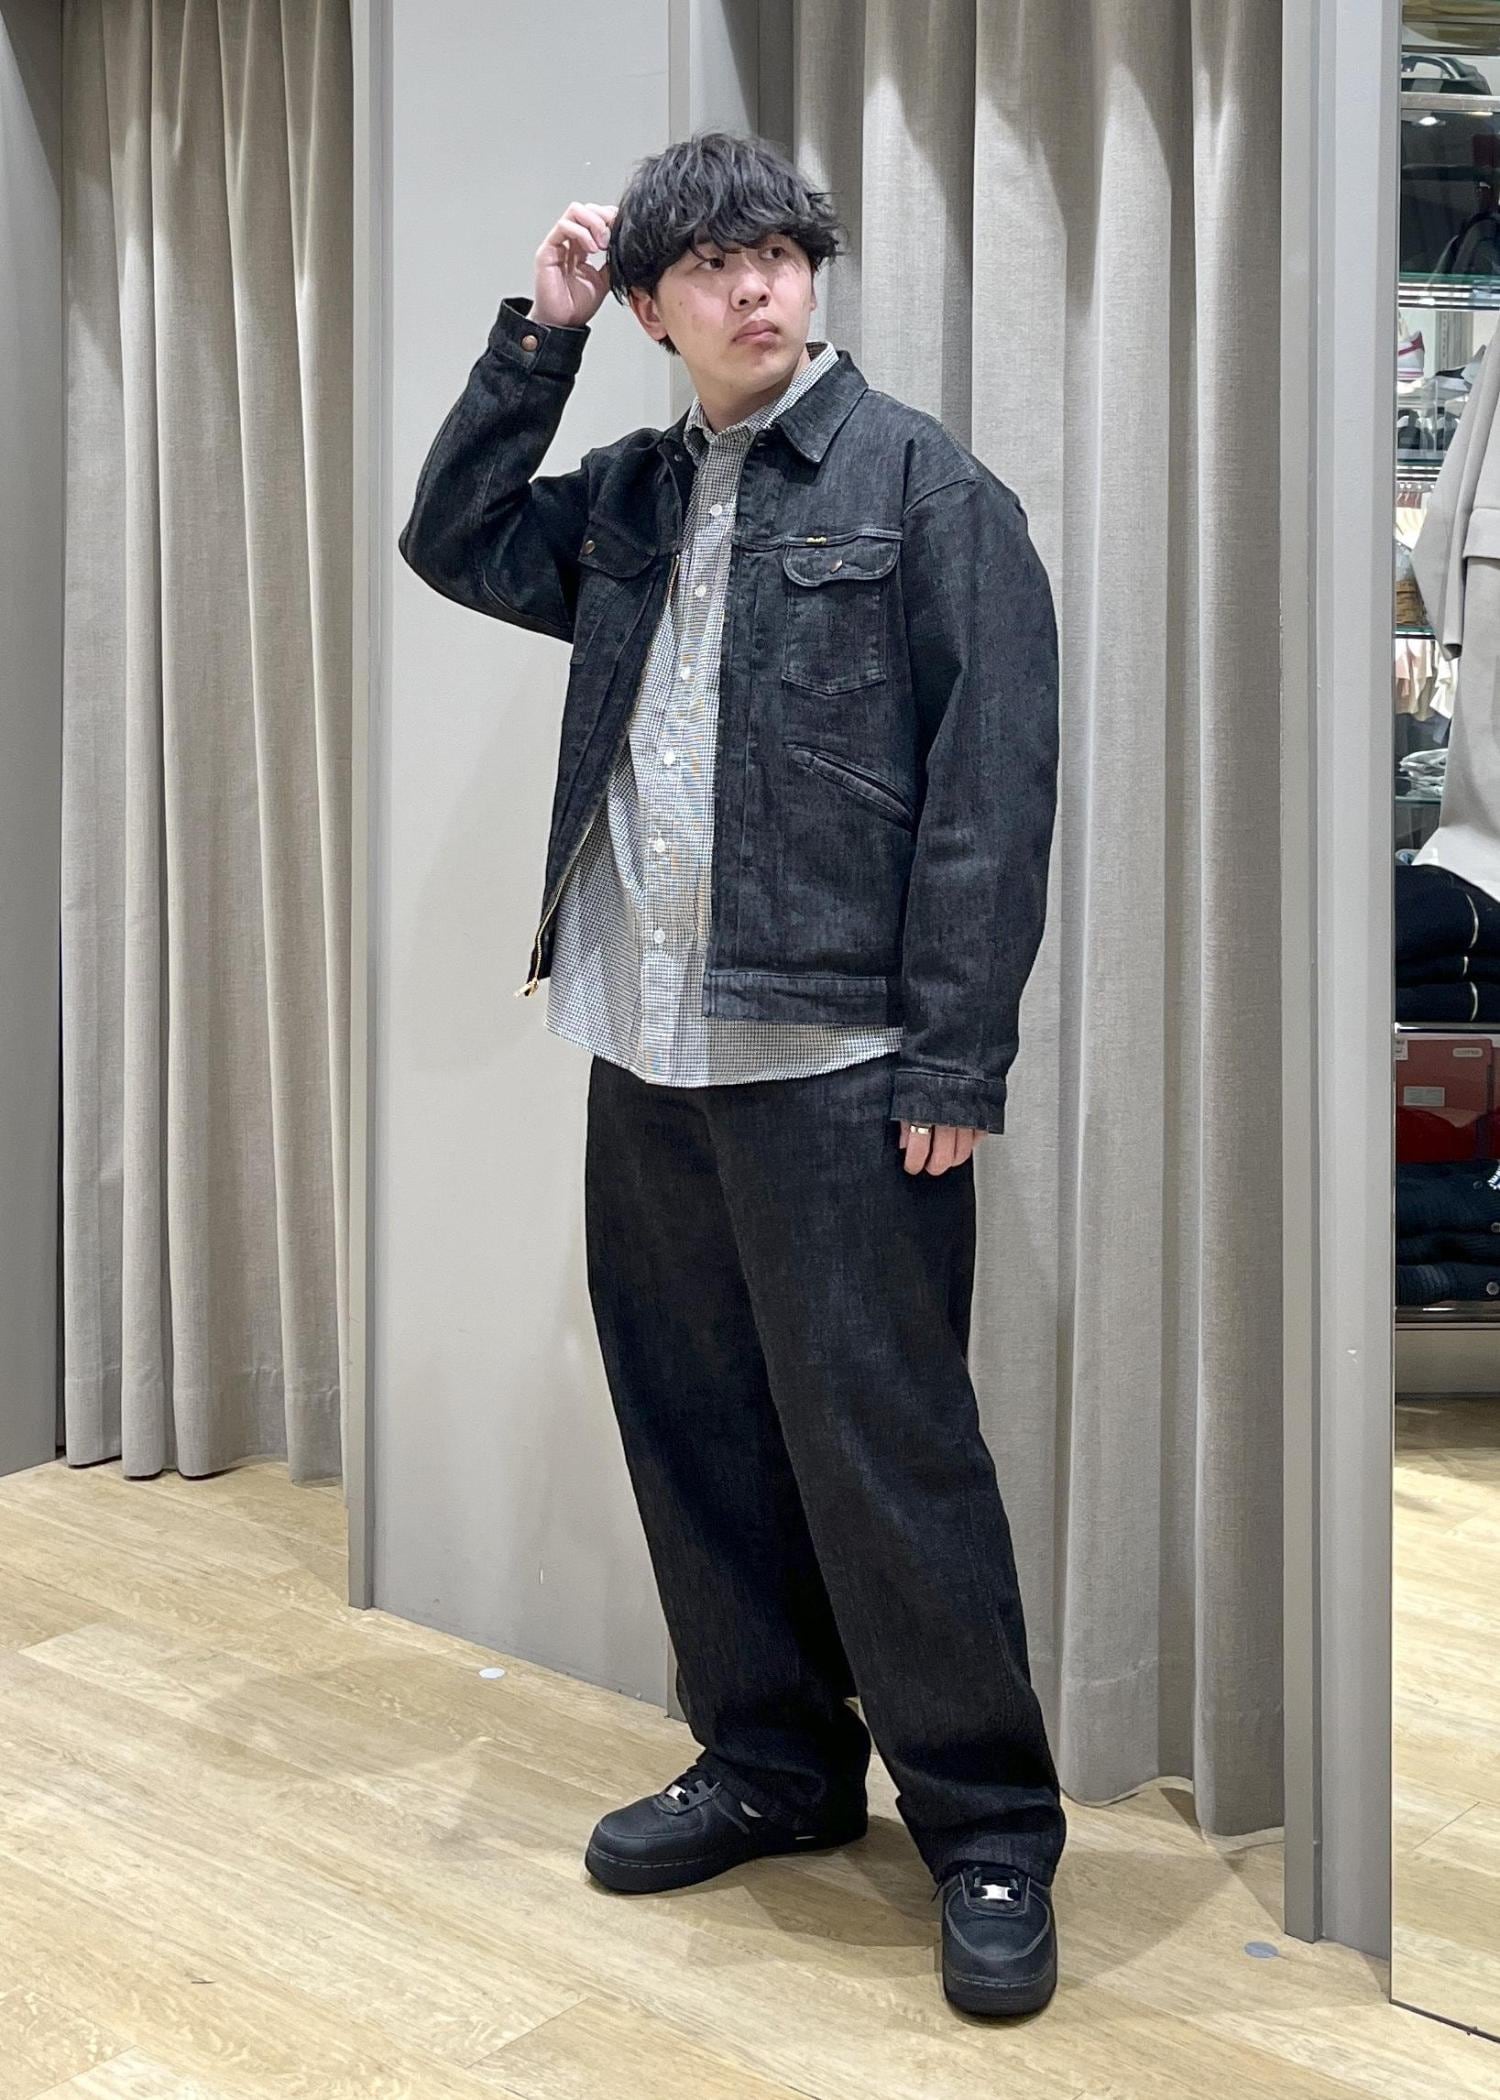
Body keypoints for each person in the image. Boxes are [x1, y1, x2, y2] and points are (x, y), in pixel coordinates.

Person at [398, 130, 1064, 2020]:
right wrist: (533, 340)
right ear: (651, 307)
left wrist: (955, 1056)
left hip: (839, 1055)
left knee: (887, 1448)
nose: (759, 286)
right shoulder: (628, 491)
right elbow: (453, 537)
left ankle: (990, 1826)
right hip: (646, 1038)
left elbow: (992, 795)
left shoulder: (926, 488)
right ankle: (771, 1759)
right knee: (693, 1422)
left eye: (782, 253)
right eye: (713, 265)